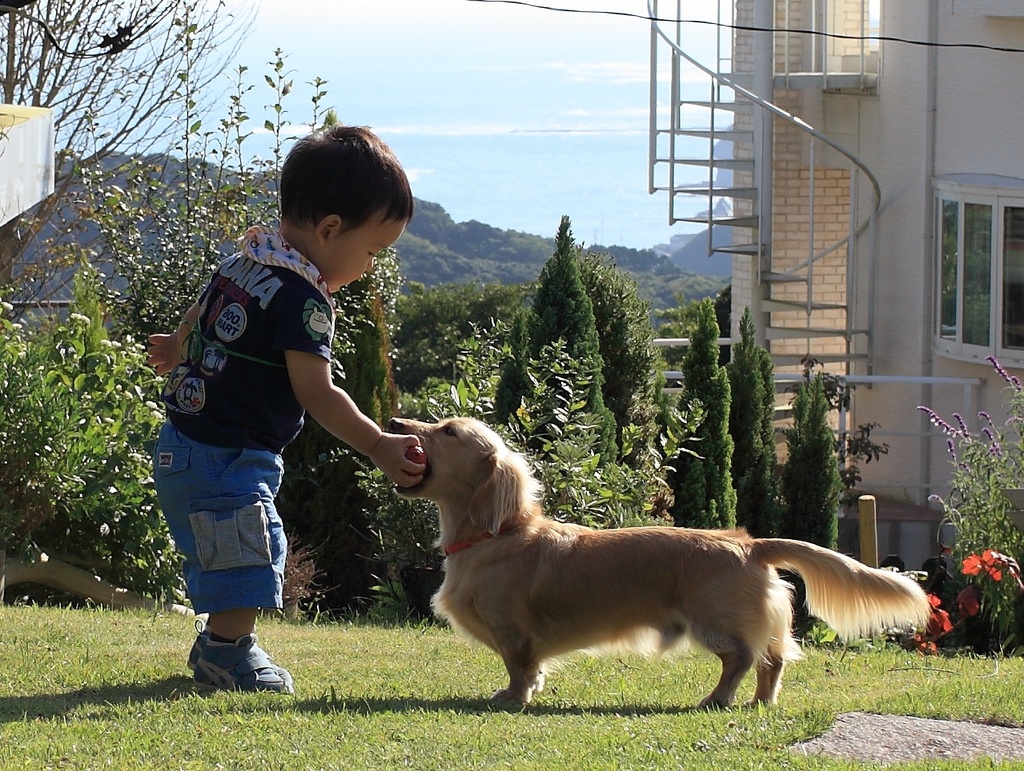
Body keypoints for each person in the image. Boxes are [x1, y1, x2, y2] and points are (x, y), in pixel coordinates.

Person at [147, 124, 425, 694]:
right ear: (330, 230)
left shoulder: (249, 260)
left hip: (183, 444)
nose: (370, 265)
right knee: (250, 549)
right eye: (371, 251)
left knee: (232, 546)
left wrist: (177, 348)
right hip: (228, 454)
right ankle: (227, 654)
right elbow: (316, 392)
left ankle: (218, 643)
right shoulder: (303, 300)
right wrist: (377, 444)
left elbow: (204, 305)